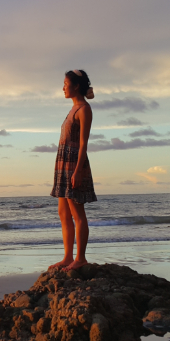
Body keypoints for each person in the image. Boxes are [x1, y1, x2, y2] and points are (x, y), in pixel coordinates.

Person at [49, 69, 98, 271]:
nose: (63, 88)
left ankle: (81, 258)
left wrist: (78, 171)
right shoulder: (72, 110)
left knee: (77, 213)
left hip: (74, 164)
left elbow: (84, 144)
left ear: (76, 86)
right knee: (63, 212)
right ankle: (68, 257)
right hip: (63, 164)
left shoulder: (84, 109)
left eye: (65, 84)